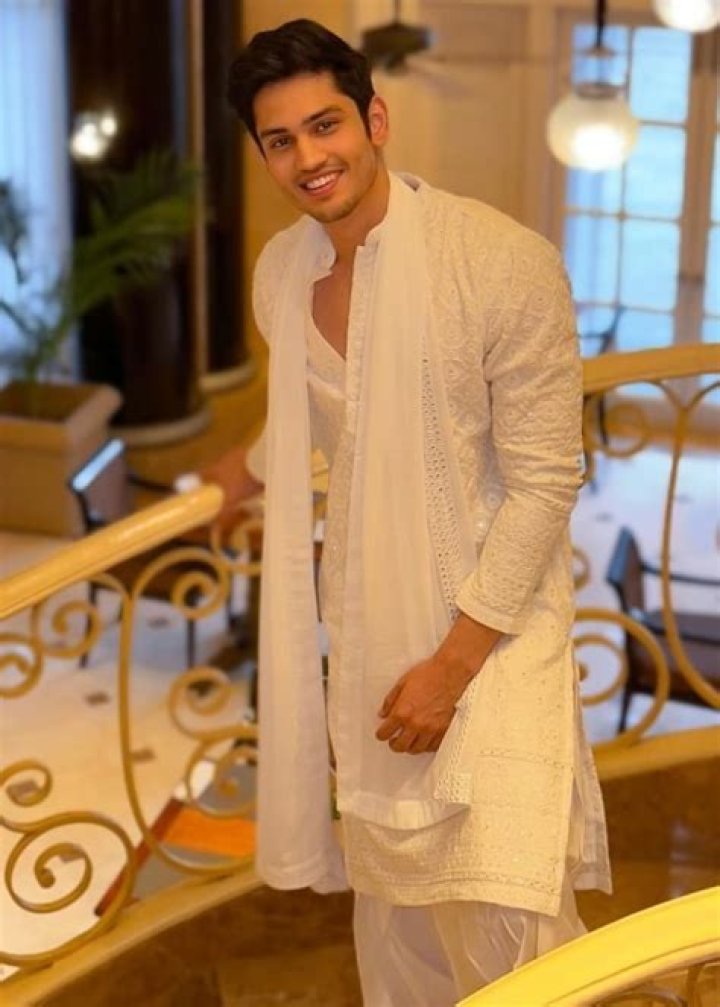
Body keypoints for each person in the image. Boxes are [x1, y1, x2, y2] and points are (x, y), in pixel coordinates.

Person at [218, 18, 610, 1005]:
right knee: (403, 927)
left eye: (326, 125)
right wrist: (242, 473)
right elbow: (326, 418)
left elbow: (546, 481)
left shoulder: (500, 262)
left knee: (516, 928)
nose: (309, 157)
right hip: (375, 635)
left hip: (495, 638)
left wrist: (453, 664)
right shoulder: (282, 276)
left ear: (376, 120)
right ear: (263, 155)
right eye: (280, 140)